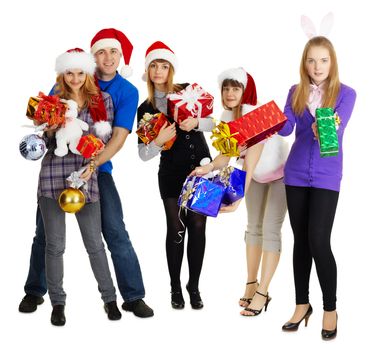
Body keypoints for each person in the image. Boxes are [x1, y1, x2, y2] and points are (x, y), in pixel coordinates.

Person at [19, 28, 154, 318]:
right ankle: (35, 291)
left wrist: (91, 167)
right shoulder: (67, 81)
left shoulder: (125, 92)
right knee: (46, 235)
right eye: (101, 52)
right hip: (56, 171)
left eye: (113, 52)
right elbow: (48, 126)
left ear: (120, 57)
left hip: (97, 170)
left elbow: (117, 138)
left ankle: (131, 296)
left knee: (114, 231)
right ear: (91, 58)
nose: (107, 57)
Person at [193, 68, 288, 316]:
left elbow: (250, 162)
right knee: (253, 228)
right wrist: (208, 167)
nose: (229, 93)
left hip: (280, 174)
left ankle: (263, 293)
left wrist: (236, 199)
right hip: (256, 175)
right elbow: (227, 155)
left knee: (270, 229)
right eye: (226, 88)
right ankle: (250, 283)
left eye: (235, 88)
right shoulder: (226, 117)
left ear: (245, 92)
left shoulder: (254, 116)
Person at [279, 36, 356, 340]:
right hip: (295, 172)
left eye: (323, 60)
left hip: (326, 175)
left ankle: (330, 309)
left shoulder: (346, 94)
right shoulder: (295, 92)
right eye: (311, 60)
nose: (317, 66)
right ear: (304, 63)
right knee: (300, 241)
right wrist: (266, 120)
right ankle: (301, 305)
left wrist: (324, 127)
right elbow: (285, 127)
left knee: (319, 241)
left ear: (332, 62)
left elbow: (336, 132)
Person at [37, 48, 120, 326]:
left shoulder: (103, 100)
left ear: (88, 74)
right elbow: (47, 145)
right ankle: (57, 303)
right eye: (69, 72)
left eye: (80, 72)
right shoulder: (53, 102)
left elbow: (104, 144)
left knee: (95, 244)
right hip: (52, 175)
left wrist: (91, 169)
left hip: (85, 176)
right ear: (63, 74)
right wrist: (47, 128)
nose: (74, 77)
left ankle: (110, 299)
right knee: (54, 245)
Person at [137, 41, 214, 309]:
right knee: (176, 228)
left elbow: (215, 123)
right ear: (147, 70)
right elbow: (142, 154)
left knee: (198, 226)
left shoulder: (188, 90)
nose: (159, 70)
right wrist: (157, 141)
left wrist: (197, 122)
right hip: (170, 174)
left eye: (164, 65)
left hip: (202, 168)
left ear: (171, 69)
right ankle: (174, 288)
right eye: (154, 66)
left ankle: (194, 286)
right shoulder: (145, 108)